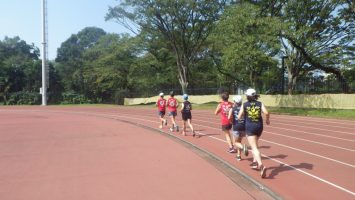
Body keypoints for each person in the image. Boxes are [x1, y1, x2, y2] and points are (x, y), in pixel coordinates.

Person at [238, 88, 270, 178]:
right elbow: (266, 112)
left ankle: (260, 165)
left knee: (254, 147)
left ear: (247, 96)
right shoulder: (260, 103)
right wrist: (267, 120)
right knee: (256, 144)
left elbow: (239, 116)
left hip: (249, 127)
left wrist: (241, 119)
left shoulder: (245, 105)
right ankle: (254, 162)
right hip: (259, 127)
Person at [228, 95, 248, 161]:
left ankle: (243, 147)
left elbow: (229, 117)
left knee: (235, 143)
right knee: (239, 141)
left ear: (235, 102)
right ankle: (238, 155)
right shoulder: (244, 109)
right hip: (243, 126)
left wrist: (231, 122)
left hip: (236, 126)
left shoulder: (232, 109)